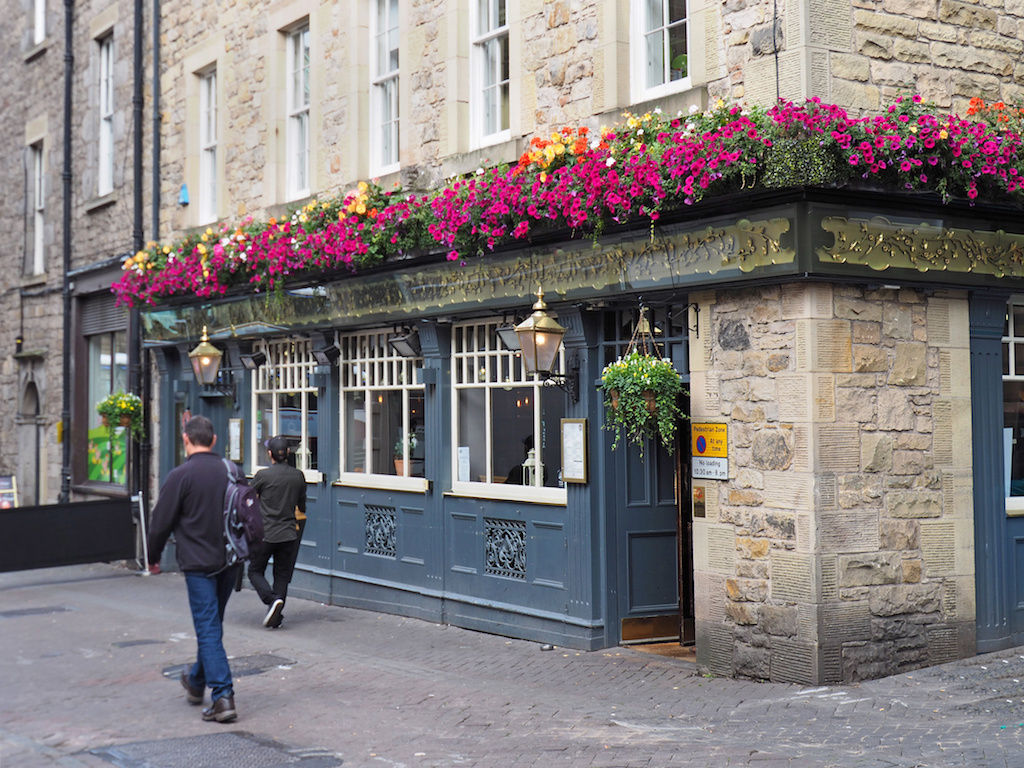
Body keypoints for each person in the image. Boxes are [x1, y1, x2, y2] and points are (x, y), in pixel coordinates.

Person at [147, 414, 239, 724]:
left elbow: (160, 523)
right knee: (212, 625)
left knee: (208, 627)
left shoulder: (180, 476)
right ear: (213, 440)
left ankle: (223, 696)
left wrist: (153, 556)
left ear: (186, 439)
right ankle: (196, 680)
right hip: (229, 561)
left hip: (198, 565)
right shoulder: (231, 471)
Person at [248, 435, 307, 629]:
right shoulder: (298, 476)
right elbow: (302, 507)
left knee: (255, 570)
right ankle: (276, 614)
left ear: (270, 454)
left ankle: (271, 600)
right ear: (288, 453)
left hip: (266, 533)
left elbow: (247, 498)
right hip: (289, 533)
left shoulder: (263, 476)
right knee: (282, 575)